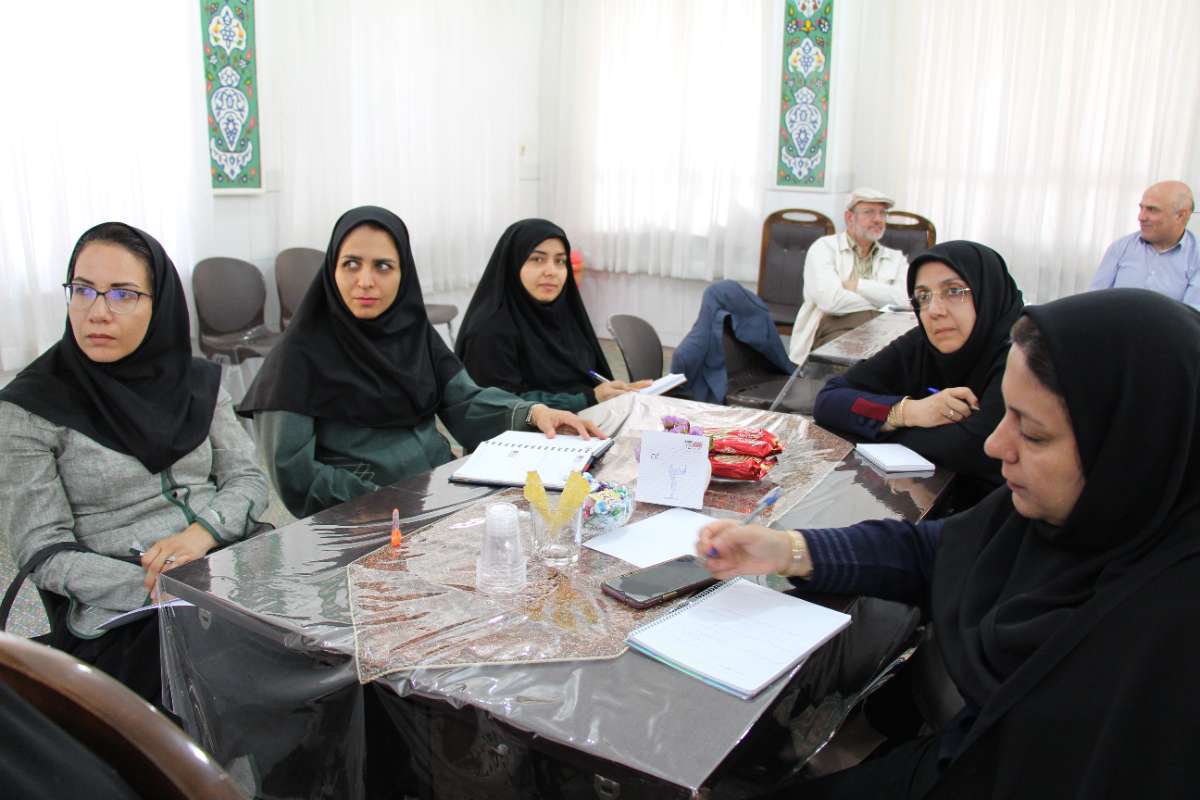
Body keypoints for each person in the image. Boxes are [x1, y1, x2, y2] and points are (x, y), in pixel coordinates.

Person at [698, 289, 1200, 798]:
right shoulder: (1070, 514)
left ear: (1135, 448)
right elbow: (933, 550)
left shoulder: (1166, 644)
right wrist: (786, 550)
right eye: (1005, 414)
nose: (995, 445)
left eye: (1033, 433)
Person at [0, 222, 269, 704]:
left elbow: (247, 479)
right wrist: (155, 585)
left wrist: (202, 535)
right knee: (234, 679)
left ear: (159, 304)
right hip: (127, 610)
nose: (97, 311)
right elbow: (41, 549)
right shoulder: (30, 408)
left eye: (123, 294)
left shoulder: (199, 383)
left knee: (326, 648)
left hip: (229, 558)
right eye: (83, 290)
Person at [239, 207, 601, 518]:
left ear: (404, 273)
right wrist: (380, 499)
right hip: (364, 517)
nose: (365, 281)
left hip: (442, 491)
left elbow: (464, 402)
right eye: (351, 264)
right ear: (331, 270)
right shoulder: (296, 357)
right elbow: (295, 474)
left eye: (383, 266)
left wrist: (534, 413)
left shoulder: (412, 332)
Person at [812, 241, 1022, 490]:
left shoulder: (1023, 352)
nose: (934, 311)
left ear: (988, 292)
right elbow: (828, 400)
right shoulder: (922, 342)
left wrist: (874, 428)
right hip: (930, 493)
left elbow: (976, 449)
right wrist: (908, 412)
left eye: (954, 291)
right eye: (923, 296)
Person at [455, 218, 648, 411]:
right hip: (537, 428)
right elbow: (500, 407)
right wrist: (587, 399)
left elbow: (586, 376)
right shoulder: (489, 331)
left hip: (587, 416)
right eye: (537, 259)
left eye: (560, 261)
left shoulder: (563, 315)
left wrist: (613, 392)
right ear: (512, 263)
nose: (552, 271)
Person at [788, 188, 910, 366]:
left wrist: (857, 285)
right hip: (836, 325)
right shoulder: (824, 248)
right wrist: (882, 300)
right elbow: (831, 301)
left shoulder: (896, 258)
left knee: (902, 361)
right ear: (849, 218)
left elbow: (904, 300)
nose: (878, 219)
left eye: (882, 213)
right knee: (852, 366)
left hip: (884, 330)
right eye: (869, 212)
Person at [1088, 180, 1198, 308]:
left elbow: (1192, 315)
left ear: (1180, 216)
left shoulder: (1196, 256)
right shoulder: (1120, 247)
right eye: (1141, 208)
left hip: (1169, 322)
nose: (1141, 217)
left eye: (1152, 210)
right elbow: (1093, 302)